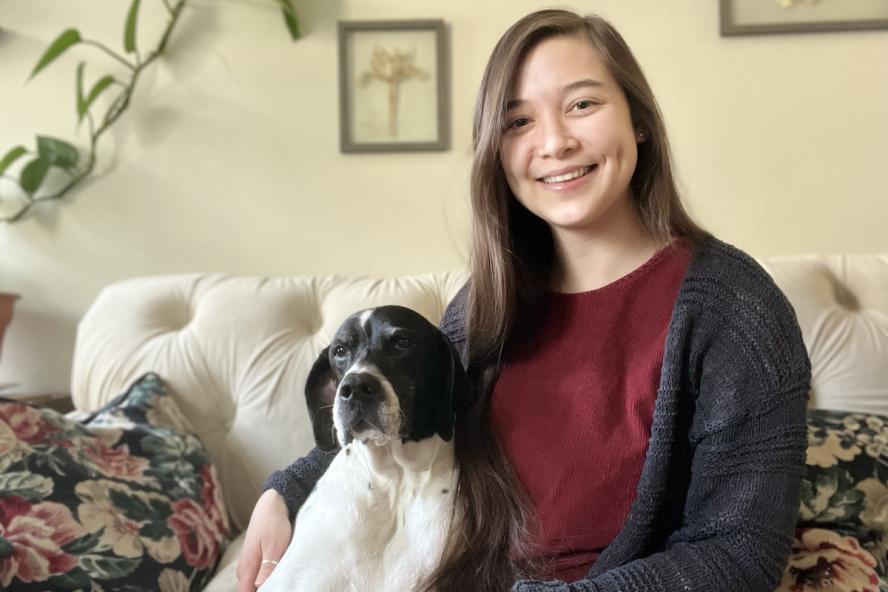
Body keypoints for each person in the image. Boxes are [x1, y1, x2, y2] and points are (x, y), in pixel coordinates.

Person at [237, 9, 810, 592]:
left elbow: (738, 555)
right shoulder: (486, 303)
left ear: (639, 119)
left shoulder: (734, 312)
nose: (555, 142)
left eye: (582, 104)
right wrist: (286, 490)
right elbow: (407, 409)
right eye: (518, 121)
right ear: (497, 151)